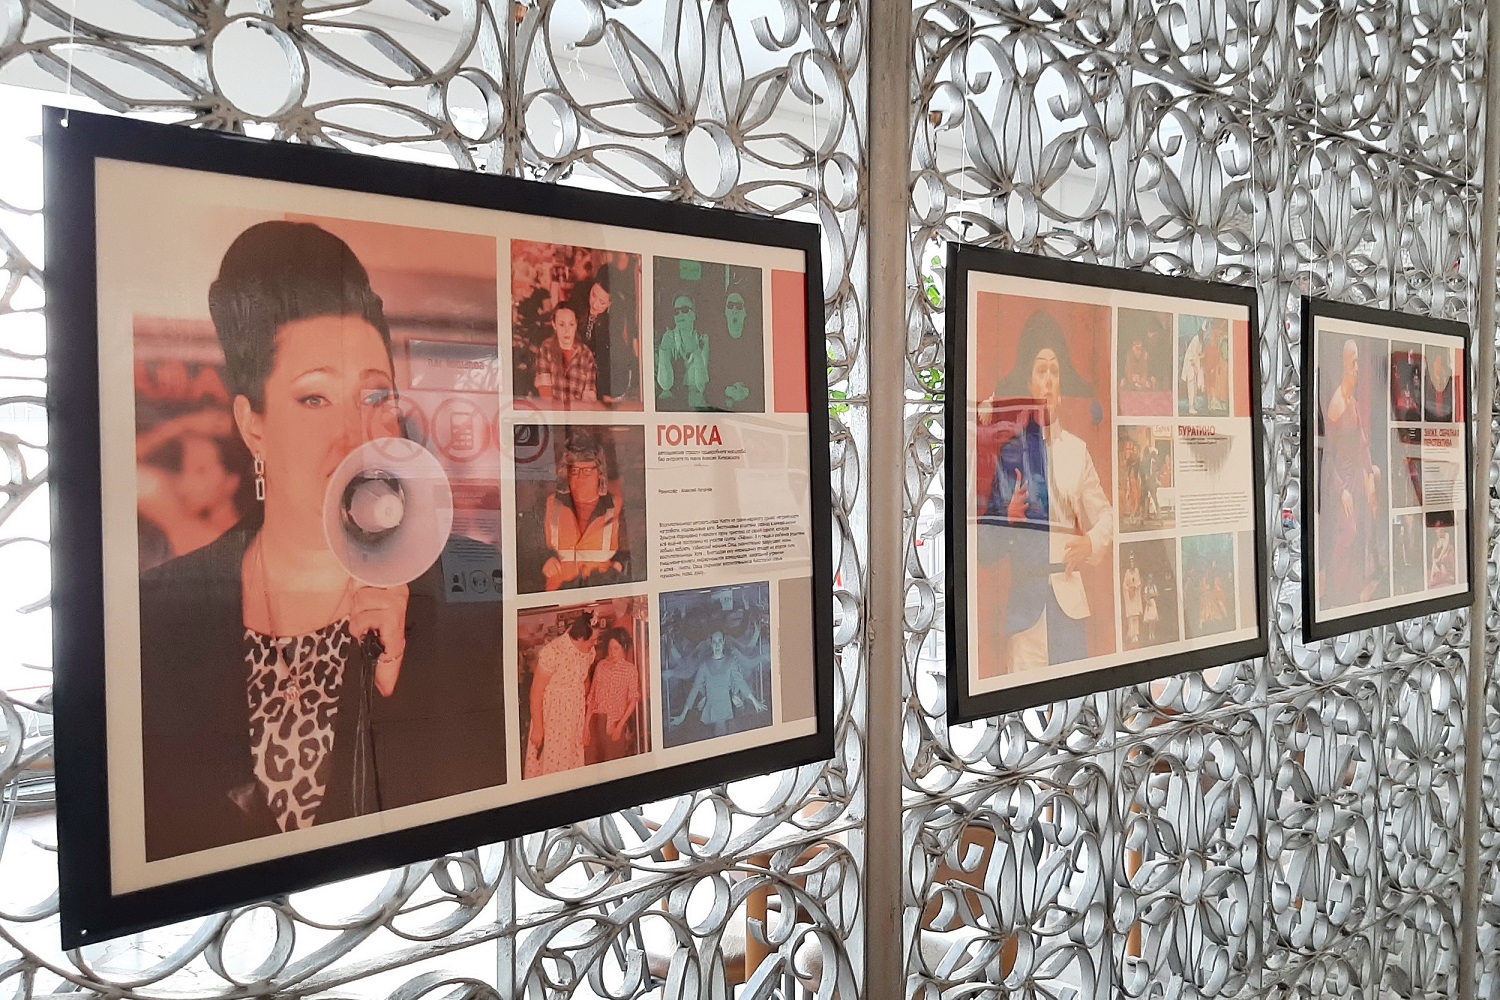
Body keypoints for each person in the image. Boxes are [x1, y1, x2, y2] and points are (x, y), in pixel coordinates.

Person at [138, 221, 505, 860]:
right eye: (314, 399)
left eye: (375, 395)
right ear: (253, 424)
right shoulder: (158, 610)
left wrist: (397, 683)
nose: (355, 434)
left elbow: (477, 825)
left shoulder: (472, 590)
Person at [980, 311, 1114, 670]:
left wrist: (1090, 544)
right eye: (1042, 371)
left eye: (1055, 371)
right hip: (1027, 613)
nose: (1049, 380)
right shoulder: (1010, 454)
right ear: (1030, 383)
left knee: (1075, 697)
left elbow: (1106, 515)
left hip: (1069, 608)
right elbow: (984, 549)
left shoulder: (1077, 451)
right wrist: (1007, 517)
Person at [135, 408, 243, 565]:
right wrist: (181, 426)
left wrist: (170, 516)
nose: (185, 482)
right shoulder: (177, 529)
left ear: (231, 483)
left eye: (200, 470)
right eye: (184, 469)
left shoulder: (230, 548)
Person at [1322, 338, 1384, 606]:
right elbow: (1328, 457)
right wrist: (1342, 491)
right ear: (1344, 366)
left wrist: (1369, 473)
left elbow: (1363, 444)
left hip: (1356, 479)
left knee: (1359, 536)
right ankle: (1335, 596)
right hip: (1343, 482)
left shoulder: (1354, 403)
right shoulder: (1336, 405)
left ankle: (1351, 596)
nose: (1357, 368)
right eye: (1353, 362)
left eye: (1358, 361)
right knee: (1348, 533)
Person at [541, 434, 629, 590]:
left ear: (600, 473)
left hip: (602, 594)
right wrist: (544, 560)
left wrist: (619, 567)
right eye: (574, 471)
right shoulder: (550, 504)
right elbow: (531, 547)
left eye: (587, 471)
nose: (580, 477)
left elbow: (632, 554)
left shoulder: (617, 507)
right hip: (559, 595)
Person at [526, 613, 596, 777]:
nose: (595, 644)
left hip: (574, 719)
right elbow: (536, 692)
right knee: (551, 764)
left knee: (571, 765)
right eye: (592, 640)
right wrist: (538, 728)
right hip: (553, 719)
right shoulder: (553, 652)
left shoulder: (589, 652)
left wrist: (584, 722)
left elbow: (585, 682)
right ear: (580, 638)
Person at [670, 626, 767, 737]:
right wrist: (682, 716)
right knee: (717, 735)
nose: (717, 645)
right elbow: (695, 689)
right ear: (711, 643)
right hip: (711, 707)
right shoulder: (704, 665)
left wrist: (754, 701)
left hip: (727, 706)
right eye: (714, 642)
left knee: (727, 734)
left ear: (724, 642)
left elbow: (740, 682)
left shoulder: (730, 661)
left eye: (720, 641)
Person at [586, 626, 642, 764]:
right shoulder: (601, 665)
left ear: (624, 648)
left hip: (615, 723)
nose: (612, 652)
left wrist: (620, 726)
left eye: (616, 648)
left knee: (613, 763)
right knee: (593, 762)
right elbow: (592, 695)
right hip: (596, 720)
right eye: (610, 648)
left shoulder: (630, 670)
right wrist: (586, 726)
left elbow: (633, 700)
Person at [533, 305, 599, 406]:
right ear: (554, 325)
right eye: (561, 324)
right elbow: (544, 390)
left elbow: (589, 395)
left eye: (571, 324)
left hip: (577, 413)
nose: (566, 330)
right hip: (552, 412)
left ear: (576, 325)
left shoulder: (586, 354)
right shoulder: (546, 349)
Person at [657, 293, 710, 409]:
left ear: (694, 315)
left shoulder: (702, 339)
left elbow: (701, 385)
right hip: (674, 401)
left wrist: (696, 352)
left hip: (696, 401)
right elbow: (665, 385)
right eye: (676, 312)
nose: (680, 314)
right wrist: (663, 352)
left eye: (685, 310)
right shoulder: (668, 339)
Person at [1425, 348, 1455, 422]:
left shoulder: (1450, 382)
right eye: (1438, 363)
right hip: (1429, 421)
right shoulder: (1426, 382)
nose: (1440, 366)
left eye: (1442, 363)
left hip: (1447, 421)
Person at [1122, 555, 1143, 646]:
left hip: (1135, 596)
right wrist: (1129, 589)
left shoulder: (1137, 571)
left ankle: (1136, 634)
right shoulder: (1127, 572)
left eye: (1133, 562)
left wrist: (1135, 587)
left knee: (1135, 616)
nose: (1132, 564)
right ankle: (1131, 634)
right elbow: (1124, 585)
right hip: (1129, 597)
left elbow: (1139, 582)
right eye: (1130, 562)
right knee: (1131, 617)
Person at [1142, 573, 1161, 644]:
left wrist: (1151, 595)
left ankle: (1153, 633)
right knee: (1150, 620)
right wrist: (1147, 601)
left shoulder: (1154, 586)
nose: (1150, 580)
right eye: (1149, 579)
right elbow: (1144, 596)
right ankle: (1150, 634)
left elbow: (1157, 594)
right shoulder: (1146, 588)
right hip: (1149, 603)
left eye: (1151, 579)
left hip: (1153, 602)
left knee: (1154, 620)